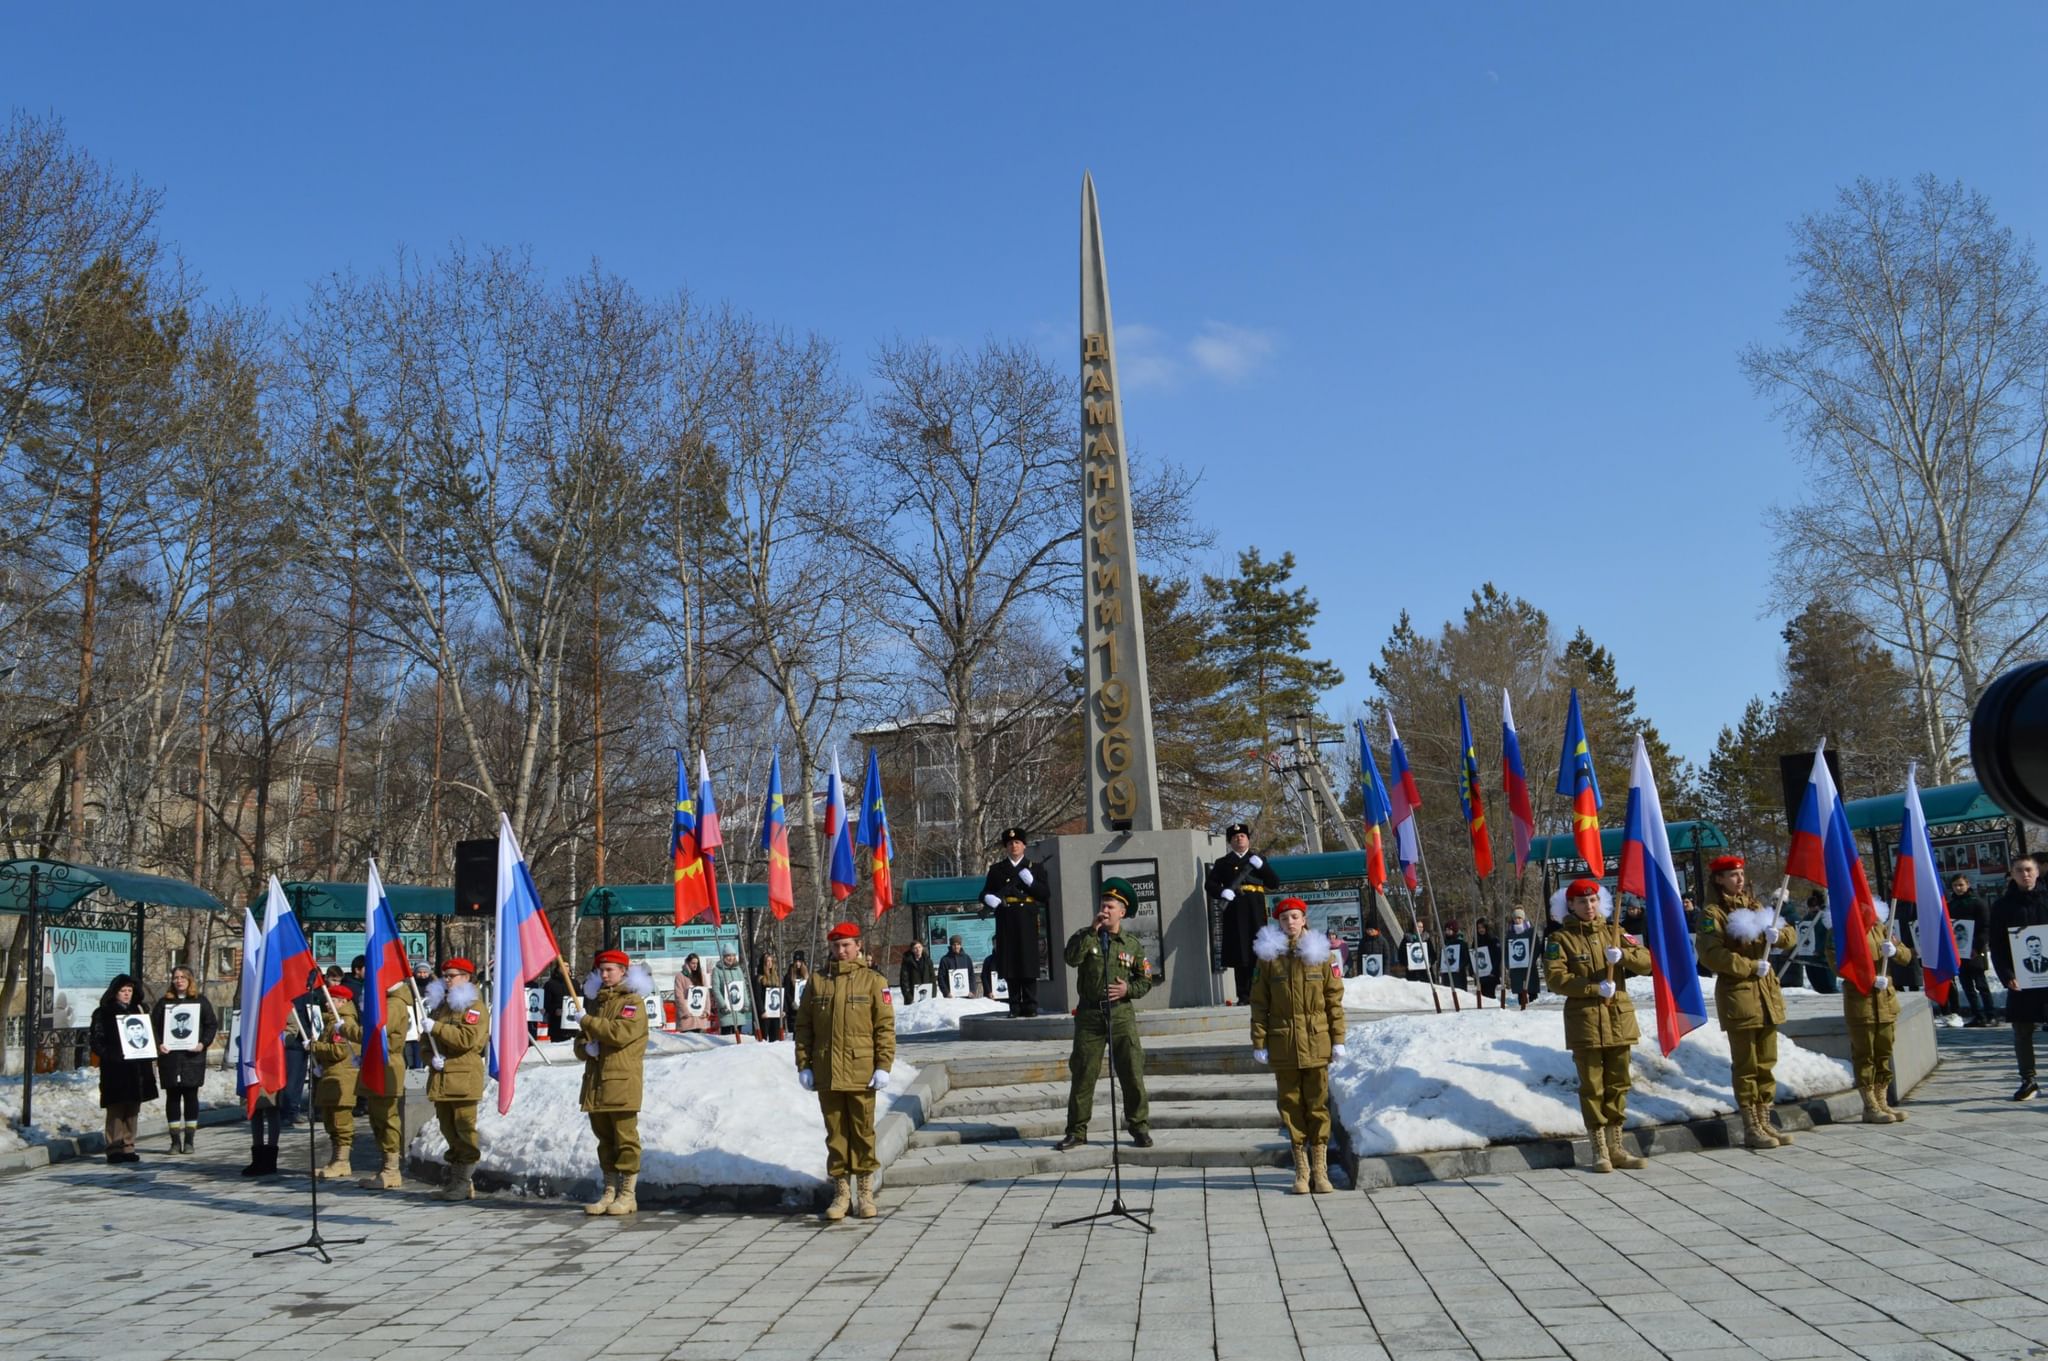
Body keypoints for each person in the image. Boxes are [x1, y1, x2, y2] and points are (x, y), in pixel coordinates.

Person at [1544, 879, 1652, 1174]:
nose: (1588, 907)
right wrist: (1592, 989)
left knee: (1618, 1083)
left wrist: (1625, 955)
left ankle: (1616, 1145)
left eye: (1592, 901)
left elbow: (1646, 963)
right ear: (1571, 906)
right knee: (1592, 1086)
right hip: (1586, 1022)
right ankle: (1599, 1149)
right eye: (1582, 902)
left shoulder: (1615, 931)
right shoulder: (1561, 940)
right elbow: (1555, 978)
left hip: (1618, 1019)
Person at [794, 921, 897, 1221]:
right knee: (836, 1134)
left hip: (861, 1071)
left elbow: (885, 1028)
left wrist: (883, 1065)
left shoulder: (874, 981)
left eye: (847, 945)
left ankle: (865, 1192)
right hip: (827, 1072)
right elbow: (804, 1027)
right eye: (837, 946)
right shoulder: (817, 982)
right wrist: (804, 1064)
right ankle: (841, 1193)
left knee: (863, 1132)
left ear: (859, 946)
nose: (841, 951)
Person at [1697, 855, 1799, 1148]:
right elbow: (1711, 954)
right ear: (1718, 879)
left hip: (1766, 994)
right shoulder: (1712, 914)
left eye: (1741, 873)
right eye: (1731, 875)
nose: (1739, 879)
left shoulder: (1755, 906)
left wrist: (1778, 935)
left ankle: (1765, 1119)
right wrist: (1750, 967)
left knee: (1766, 1062)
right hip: (1739, 994)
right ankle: (1751, 1125)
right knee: (1747, 1064)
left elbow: (1789, 935)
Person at [1250, 897, 1347, 1194]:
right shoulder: (1269, 959)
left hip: (1316, 1042)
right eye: (1284, 919)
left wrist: (1339, 1039)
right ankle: (1301, 1170)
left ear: (1304, 919)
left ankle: (1320, 1169)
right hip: (1284, 1044)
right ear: (1277, 923)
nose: (1290, 922)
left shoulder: (1322, 955)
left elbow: (1334, 1002)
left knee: (1318, 1106)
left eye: (1294, 917)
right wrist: (1260, 1041)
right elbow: (1259, 1003)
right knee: (1291, 1105)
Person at [1055, 878, 1153, 1152]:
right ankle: (1076, 1131)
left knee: (1131, 1072)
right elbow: (1071, 958)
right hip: (1090, 1016)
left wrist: (1127, 989)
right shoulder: (1086, 937)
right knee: (1083, 1073)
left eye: (1110, 907)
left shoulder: (1131, 945)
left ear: (1122, 912)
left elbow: (1145, 980)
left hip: (1121, 1016)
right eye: (1102, 905)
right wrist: (1092, 930)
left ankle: (1139, 1127)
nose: (1105, 910)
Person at [580, 949, 653, 1214]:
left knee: (625, 1139)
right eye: (601, 970)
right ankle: (609, 1191)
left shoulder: (632, 1002)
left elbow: (620, 1033)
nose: (604, 974)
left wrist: (588, 1023)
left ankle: (628, 1194)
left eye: (610, 969)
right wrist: (585, 1048)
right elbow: (582, 1038)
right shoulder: (596, 1002)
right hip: (597, 1082)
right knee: (604, 1139)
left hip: (621, 1080)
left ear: (624, 971)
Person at [420, 957, 489, 1201]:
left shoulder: (473, 1007)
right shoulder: (442, 1006)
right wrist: (430, 1058)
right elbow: (425, 1043)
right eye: (445, 975)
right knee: (448, 1129)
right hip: (442, 1078)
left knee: (464, 1129)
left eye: (453, 975)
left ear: (467, 977)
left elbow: (467, 1040)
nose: (447, 979)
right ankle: (456, 1179)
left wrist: (437, 1028)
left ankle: (464, 1180)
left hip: (463, 1078)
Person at [1845, 904, 1914, 1123]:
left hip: (1885, 1001)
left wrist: (1895, 951)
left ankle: (1882, 1100)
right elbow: (1839, 964)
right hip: (1861, 1000)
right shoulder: (1843, 928)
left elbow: (1907, 955)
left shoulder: (1881, 928)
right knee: (1865, 1053)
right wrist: (1869, 978)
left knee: (1884, 1051)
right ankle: (1870, 1104)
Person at [1990, 854, 2048, 1101]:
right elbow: (1998, 945)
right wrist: (2006, 975)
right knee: (2022, 1030)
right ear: (2012, 874)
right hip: (2021, 980)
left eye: (2028, 870)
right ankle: (2029, 1079)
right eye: (2019, 871)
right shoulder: (2003, 906)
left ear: (2037, 872)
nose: (2025, 874)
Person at [1206, 822, 1281, 1004]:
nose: (1239, 839)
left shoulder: (1258, 860)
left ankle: (1261, 993)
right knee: (1240, 954)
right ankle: (1244, 995)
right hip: (1236, 912)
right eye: (1234, 837)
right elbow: (1210, 885)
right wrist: (1223, 892)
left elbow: (1273, 882)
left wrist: (1262, 866)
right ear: (1230, 842)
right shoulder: (1223, 863)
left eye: (1242, 836)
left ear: (1247, 839)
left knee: (1259, 951)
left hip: (1255, 910)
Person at [89, 975, 158, 1165]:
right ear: (115, 992)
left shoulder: (139, 1010)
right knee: (116, 1108)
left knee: (133, 1108)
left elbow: (149, 1035)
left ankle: (129, 1145)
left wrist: (151, 1049)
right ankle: (114, 1147)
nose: (127, 994)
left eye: (130, 991)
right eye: (123, 991)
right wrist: (112, 1055)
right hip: (116, 1068)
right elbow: (96, 1040)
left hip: (137, 1067)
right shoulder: (103, 1012)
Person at [982, 827, 1048, 1017]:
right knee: (1011, 963)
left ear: (1024, 845)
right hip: (1007, 918)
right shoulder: (997, 870)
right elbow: (984, 892)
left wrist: (1032, 884)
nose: (1014, 846)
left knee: (1028, 961)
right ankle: (1014, 1005)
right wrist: (989, 899)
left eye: (1017, 842)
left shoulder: (1034, 868)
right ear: (1006, 847)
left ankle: (1030, 1005)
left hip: (1027, 918)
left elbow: (1045, 894)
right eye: (1010, 843)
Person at [151, 966, 218, 1154]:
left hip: (192, 1058)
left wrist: (202, 1043)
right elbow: (153, 1025)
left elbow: (211, 1024)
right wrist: (159, 1044)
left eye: (183, 977)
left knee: (190, 1097)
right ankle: (174, 1141)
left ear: (190, 980)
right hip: (170, 1058)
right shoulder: (164, 1003)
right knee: (172, 1097)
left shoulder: (200, 1001)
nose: (179, 981)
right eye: (175, 977)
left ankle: (189, 1140)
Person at [356, 976, 414, 1191]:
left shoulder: (394, 1004)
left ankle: (392, 1169)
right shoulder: (387, 1002)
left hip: (387, 1063)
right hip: (378, 1062)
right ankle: (386, 1166)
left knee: (387, 1117)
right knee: (377, 1117)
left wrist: (347, 1030)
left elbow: (377, 1030)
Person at [307, 977, 361, 1178]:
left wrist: (315, 1047)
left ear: (343, 1002)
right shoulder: (332, 1022)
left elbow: (339, 1051)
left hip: (342, 1078)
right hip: (332, 1076)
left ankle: (342, 1161)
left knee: (341, 1122)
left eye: (332, 1000)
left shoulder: (344, 1023)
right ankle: (335, 1159)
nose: (327, 1003)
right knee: (331, 1122)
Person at [1949, 876, 1994, 1026]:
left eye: (1961, 885)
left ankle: (1990, 1015)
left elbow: (1985, 927)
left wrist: (1977, 947)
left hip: (1975, 951)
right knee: (1967, 986)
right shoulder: (1951, 905)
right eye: (1955, 885)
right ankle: (1978, 1015)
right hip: (1959, 951)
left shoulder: (1977, 903)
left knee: (1981, 984)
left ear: (1968, 884)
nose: (1958, 888)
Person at [1800, 891, 1837, 994]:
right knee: (1818, 987)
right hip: (1810, 958)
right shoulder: (1806, 919)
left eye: (1814, 905)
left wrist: (1820, 950)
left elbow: (1828, 937)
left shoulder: (1826, 918)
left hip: (1824, 959)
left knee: (1829, 987)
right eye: (1810, 906)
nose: (1812, 908)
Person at [711, 946, 753, 1039]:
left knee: (739, 1039)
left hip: (739, 1010)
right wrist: (723, 1005)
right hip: (726, 1011)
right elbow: (716, 989)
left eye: (733, 955)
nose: (731, 958)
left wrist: (746, 1003)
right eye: (728, 955)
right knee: (727, 1039)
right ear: (724, 956)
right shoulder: (717, 970)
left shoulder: (738, 970)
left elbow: (743, 988)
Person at [1505, 908, 1541, 1006]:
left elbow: (1537, 947)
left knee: (1532, 989)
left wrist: (1532, 960)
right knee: (1521, 992)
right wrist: (1508, 964)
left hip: (1529, 966)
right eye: (1516, 918)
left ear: (1523, 918)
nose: (1518, 920)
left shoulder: (1530, 932)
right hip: (1516, 968)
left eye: (1520, 918)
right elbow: (1506, 950)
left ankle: (1534, 1009)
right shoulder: (1510, 934)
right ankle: (1522, 1009)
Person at [405, 962, 435, 1068]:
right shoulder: (409, 987)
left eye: (425, 972)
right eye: (419, 972)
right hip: (413, 1025)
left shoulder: (435, 987)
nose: (422, 975)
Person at [674, 953, 712, 1033]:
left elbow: (706, 994)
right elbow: (679, 996)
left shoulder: (701, 975)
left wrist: (706, 1011)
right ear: (687, 963)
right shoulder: (680, 976)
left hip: (700, 1018)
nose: (695, 965)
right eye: (693, 963)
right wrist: (685, 1011)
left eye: (697, 963)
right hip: (688, 1018)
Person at [756, 952, 784, 1042]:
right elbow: (758, 997)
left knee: (775, 1039)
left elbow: (781, 994)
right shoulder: (759, 978)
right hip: (765, 1014)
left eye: (771, 961)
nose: (769, 963)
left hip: (775, 1013)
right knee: (764, 1039)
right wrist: (762, 1011)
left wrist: (783, 1010)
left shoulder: (777, 978)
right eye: (767, 961)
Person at [1472, 920, 1499, 999]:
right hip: (1481, 973)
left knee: (1490, 995)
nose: (1481, 929)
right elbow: (1473, 957)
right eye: (1479, 928)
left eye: (1483, 927)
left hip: (1491, 974)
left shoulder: (1493, 940)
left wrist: (1493, 971)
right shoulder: (1476, 941)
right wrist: (1473, 971)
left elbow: (1497, 957)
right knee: (1483, 997)